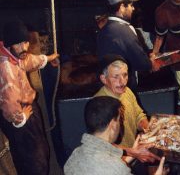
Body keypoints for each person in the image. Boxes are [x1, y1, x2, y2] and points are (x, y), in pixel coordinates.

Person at [0, 19, 59, 175]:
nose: (24, 47)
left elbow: (28, 61)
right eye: (19, 44)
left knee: (36, 154)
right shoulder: (6, 69)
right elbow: (9, 106)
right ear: (8, 44)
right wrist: (21, 120)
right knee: (34, 160)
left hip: (25, 110)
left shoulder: (13, 53)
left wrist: (49, 58)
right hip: (20, 115)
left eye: (25, 42)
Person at [64, 96, 168, 175]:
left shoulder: (75, 155)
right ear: (112, 125)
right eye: (119, 119)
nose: (120, 124)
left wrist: (132, 152)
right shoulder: (116, 168)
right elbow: (113, 168)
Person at [94, 54, 159, 163]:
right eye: (116, 77)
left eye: (125, 75)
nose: (122, 82)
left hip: (134, 151)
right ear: (104, 79)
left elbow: (139, 115)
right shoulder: (99, 105)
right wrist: (132, 152)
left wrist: (147, 130)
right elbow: (101, 143)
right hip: (116, 161)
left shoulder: (127, 91)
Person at [96, 0, 154, 89]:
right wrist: (151, 62)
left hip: (109, 86)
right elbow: (142, 63)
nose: (133, 8)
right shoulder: (125, 30)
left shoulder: (104, 30)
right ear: (122, 7)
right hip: (123, 86)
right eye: (131, 5)